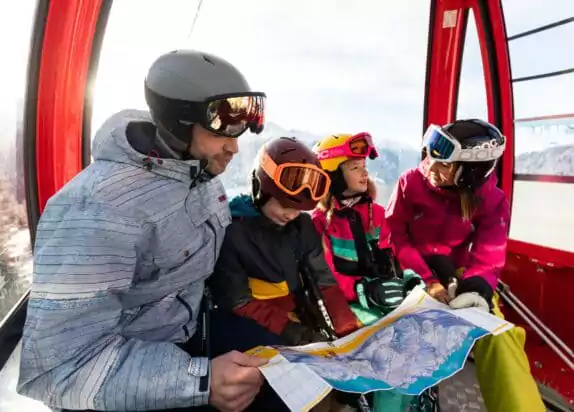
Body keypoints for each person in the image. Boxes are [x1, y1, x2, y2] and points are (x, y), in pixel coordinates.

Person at [17, 49, 274, 412]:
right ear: (182, 122)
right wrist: (200, 381)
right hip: (126, 373)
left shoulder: (199, 175)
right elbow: (59, 369)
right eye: (225, 131)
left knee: (284, 368)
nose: (234, 147)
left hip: (189, 330)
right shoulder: (96, 209)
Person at [385, 118, 545, 412]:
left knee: (499, 334)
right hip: (410, 270)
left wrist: (479, 286)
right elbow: (395, 235)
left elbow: (490, 249)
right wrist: (427, 279)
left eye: (445, 164)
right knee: (403, 332)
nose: (431, 167)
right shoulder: (411, 182)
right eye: (432, 156)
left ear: (469, 173)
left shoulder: (491, 200)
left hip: (455, 274)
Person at [209, 136, 362, 411]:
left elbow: (323, 280)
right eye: (284, 205)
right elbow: (237, 302)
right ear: (261, 189)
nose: (290, 214)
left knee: (324, 384)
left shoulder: (302, 226)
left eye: (299, 209)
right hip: (246, 323)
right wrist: (293, 332)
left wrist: (348, 330)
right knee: (290, 393)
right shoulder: (233, 231)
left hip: (294, 317)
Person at [311, 132, 427, 412]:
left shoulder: (376, 212)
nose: (364, 173)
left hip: (381, 303)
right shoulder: (319, 223)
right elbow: (323, 276)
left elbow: (393, 255)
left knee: (419, 338)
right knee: (391, 350)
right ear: (333, 176)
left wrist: (409, 279)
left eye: (364, 166)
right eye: (354, 167)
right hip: (344, 305)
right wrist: (363, 289)